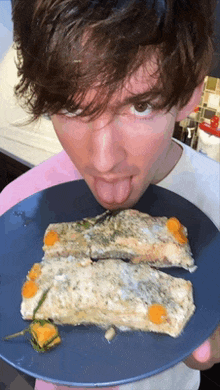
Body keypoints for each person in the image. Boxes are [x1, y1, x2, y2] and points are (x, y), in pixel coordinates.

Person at [0, 0, 220, 389]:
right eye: (70, 105)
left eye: (141, 105)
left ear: (189, 93)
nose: (103, 160)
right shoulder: (16, 207)